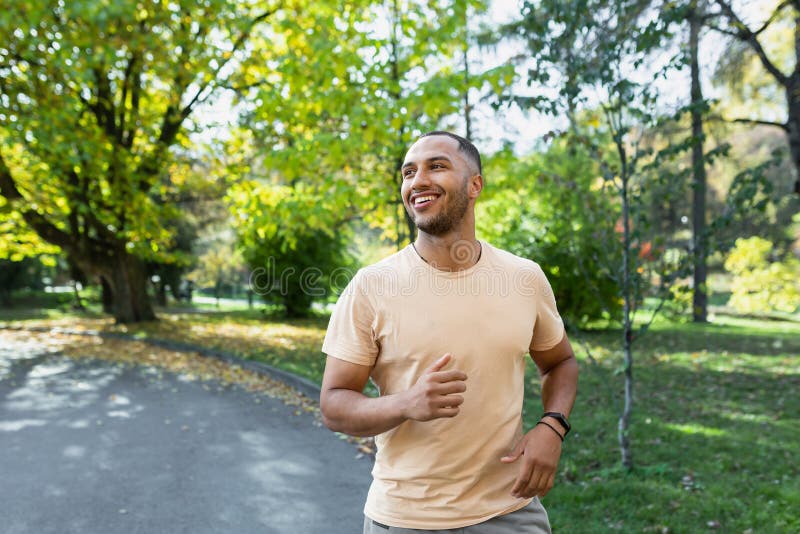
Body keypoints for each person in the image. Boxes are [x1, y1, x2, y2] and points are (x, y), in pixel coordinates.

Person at [320, 131, 578, 533]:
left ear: (475, 185)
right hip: (406, 518)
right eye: (408, 172)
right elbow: (334, 404)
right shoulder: (371, 286)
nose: (417, 180)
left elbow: (559, 361)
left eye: (436, 166)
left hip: (510, 513)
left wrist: (552, 427)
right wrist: (405, 403)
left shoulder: (523, 278)